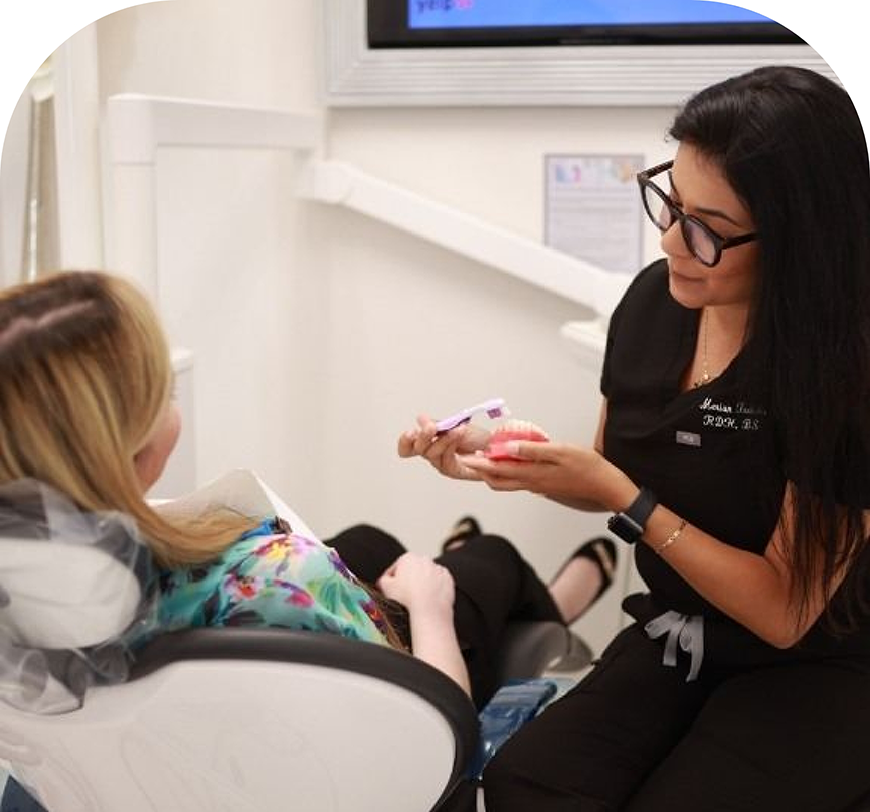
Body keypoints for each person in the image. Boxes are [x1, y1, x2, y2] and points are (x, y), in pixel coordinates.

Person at [398, 65, 870, 811]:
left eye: (708, 228)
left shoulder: (844, 368)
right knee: (526, 786)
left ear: (799, 237)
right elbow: (613, 470)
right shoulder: (654, 305)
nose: (671, 239)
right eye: (670, 200)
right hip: (684, 633)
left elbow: (785, 614)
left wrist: (626, 499)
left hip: (820, 663)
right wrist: (507, 459)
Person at [0, 270, 616, 715]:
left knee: (370, 542)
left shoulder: (24, 591)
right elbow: (437, 730)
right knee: (489, 562)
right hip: (374, 692)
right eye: (164, 390)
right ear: (123, 439)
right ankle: (551, 608)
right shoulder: (287, 577)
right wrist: (428, 604)